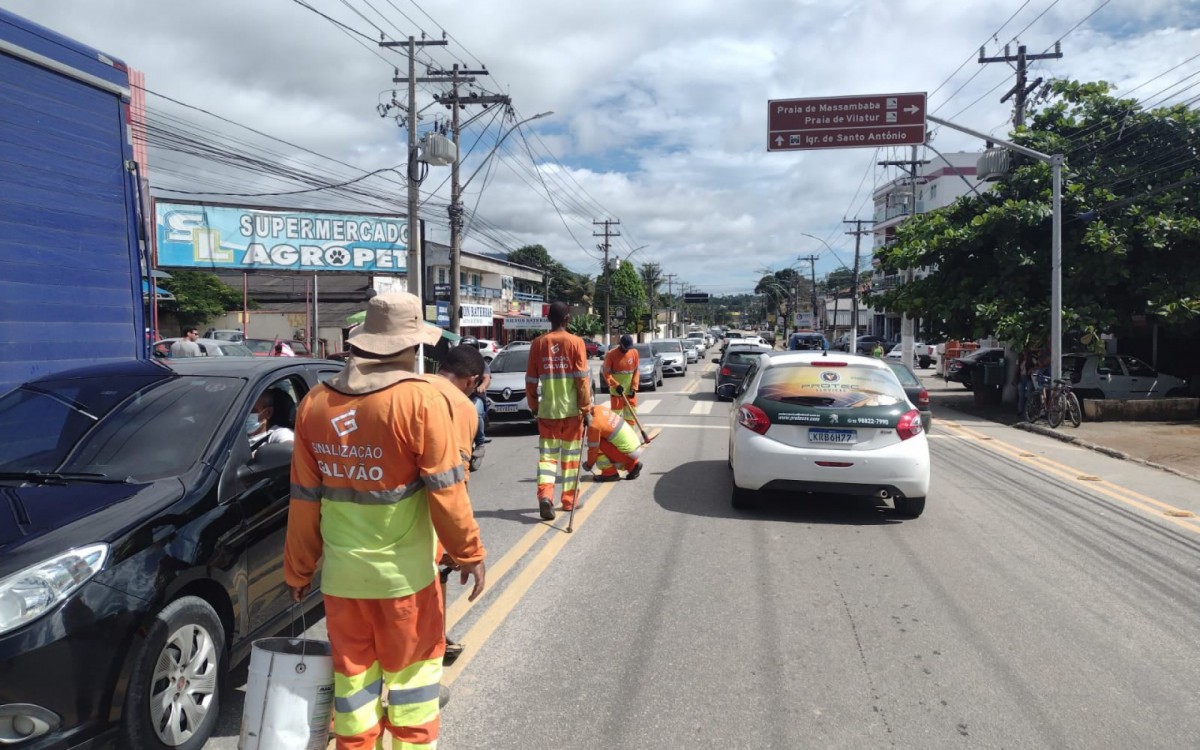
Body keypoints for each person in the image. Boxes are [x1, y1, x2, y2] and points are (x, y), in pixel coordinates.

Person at [284, 292, 486, 750]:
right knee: (414, 691)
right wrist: (469, 554)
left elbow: (302, 500)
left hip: (341, 582)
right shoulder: (420, 401)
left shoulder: (315, 404)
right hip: (405, 584)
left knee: (353, 693)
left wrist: (297, 569)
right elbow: (447, 492)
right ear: (412, 345)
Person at [526, 301, 591, 520]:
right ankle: (569, 500)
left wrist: (534, 406)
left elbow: (531, 381)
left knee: (547, 459)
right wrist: (586, 408)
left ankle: (545, 497)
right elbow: (582, 381)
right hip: (572, 412)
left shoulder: (538, 344)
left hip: (547, 411)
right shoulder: (576, 342)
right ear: (567, 319)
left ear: (549, 319)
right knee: (571, 458)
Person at [582, 403, 645, 482]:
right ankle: (633, 466)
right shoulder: (599, 408)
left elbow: (593, 451)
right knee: (609, 441)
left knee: (598, 445)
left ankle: (609, 474)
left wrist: (588, 465)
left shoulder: (594, 426)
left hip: (628, 452)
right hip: (635, 446)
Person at [602, 334, 639, 428]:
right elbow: (606, 374)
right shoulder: (611, 355)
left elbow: (636, 371)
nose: (627, 349)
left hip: (630, 392)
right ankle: (617, 439)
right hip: (617, 392)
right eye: (625, 347)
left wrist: (634, 387)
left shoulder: (634, 353)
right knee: (615, 418)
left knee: (630, 416)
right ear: (620, 344)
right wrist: (616, 385)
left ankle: (631, 438)